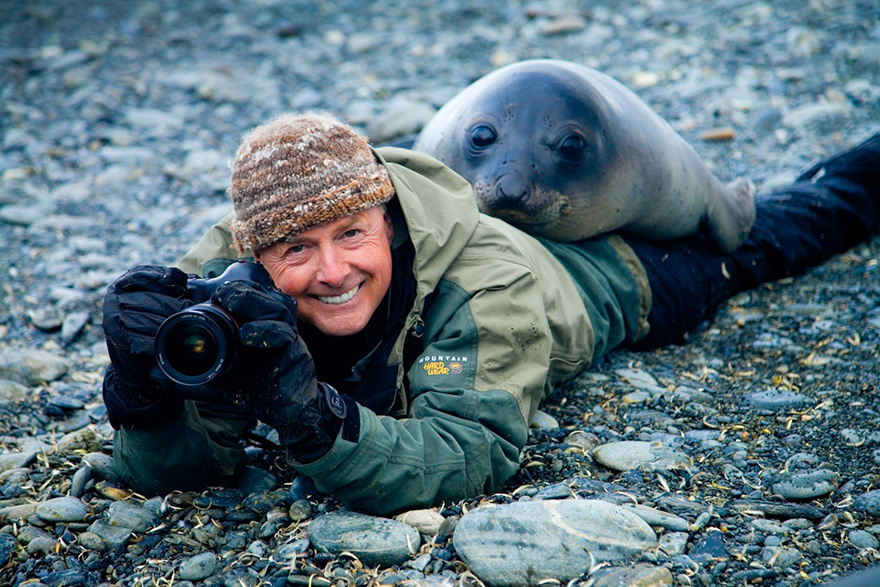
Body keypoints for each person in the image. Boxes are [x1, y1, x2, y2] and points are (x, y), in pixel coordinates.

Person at [101, 112, 880, 515]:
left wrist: (310, 415)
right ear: (254, 251)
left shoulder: (484, 283)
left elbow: (471, 450)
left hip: (617, 274)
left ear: (388, 222)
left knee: (778, 229)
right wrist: (143, 392)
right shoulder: (229, 282)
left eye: (351, 234)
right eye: (298, 250)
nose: (332, 271)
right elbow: (188, 469)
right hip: (508, 202)